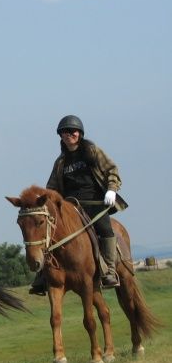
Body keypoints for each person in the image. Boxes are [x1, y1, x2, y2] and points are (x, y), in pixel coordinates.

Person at [29, 115, 127, 296]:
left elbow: (111, 169)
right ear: (61, 136)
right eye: (64, 132)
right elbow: (51, 188)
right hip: (71, 207)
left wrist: (112, 189)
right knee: (50, 234)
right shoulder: (60, 162)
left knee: (105, 229)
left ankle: (109, 270)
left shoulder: (92, 151)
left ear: (80, 133)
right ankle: (43, 276)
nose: (68, 135)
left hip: (96, 202)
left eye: (72, 131)